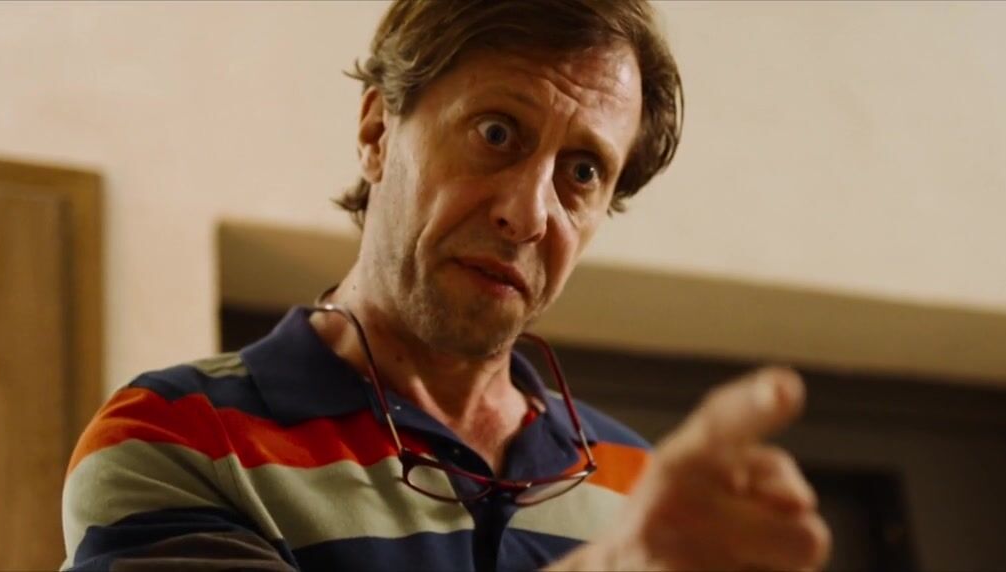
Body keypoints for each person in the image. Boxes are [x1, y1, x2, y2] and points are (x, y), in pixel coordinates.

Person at [61, 0, 830, 570]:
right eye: (496, 133)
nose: (528, 214)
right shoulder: (175, 438)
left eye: (582, 172)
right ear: (376, 132)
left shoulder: (640, 488)